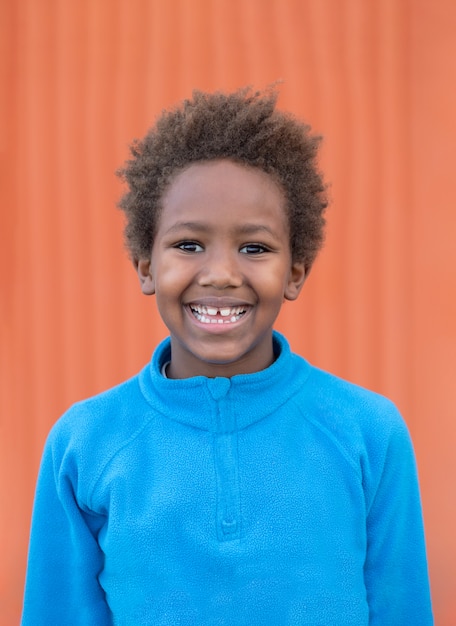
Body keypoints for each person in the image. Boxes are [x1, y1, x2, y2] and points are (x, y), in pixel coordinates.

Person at [22, 88, 433, 625]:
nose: (220, 273)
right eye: (189, 245)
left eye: (255, 248)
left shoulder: (368, 432)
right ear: (145, 266)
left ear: (295, 272)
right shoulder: (84, 443)